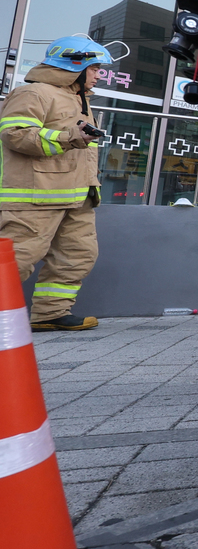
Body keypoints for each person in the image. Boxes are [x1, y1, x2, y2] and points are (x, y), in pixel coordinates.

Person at [0, 36, 110, 332]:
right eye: (96, 68)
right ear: (76, 64)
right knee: (17, 259)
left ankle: (50, 313)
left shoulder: (78, 99)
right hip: (35, 197)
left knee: (78, 256)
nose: (100, 75)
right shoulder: (34, 93)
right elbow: (15, 134)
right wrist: (67, 138)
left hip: (77, 198)